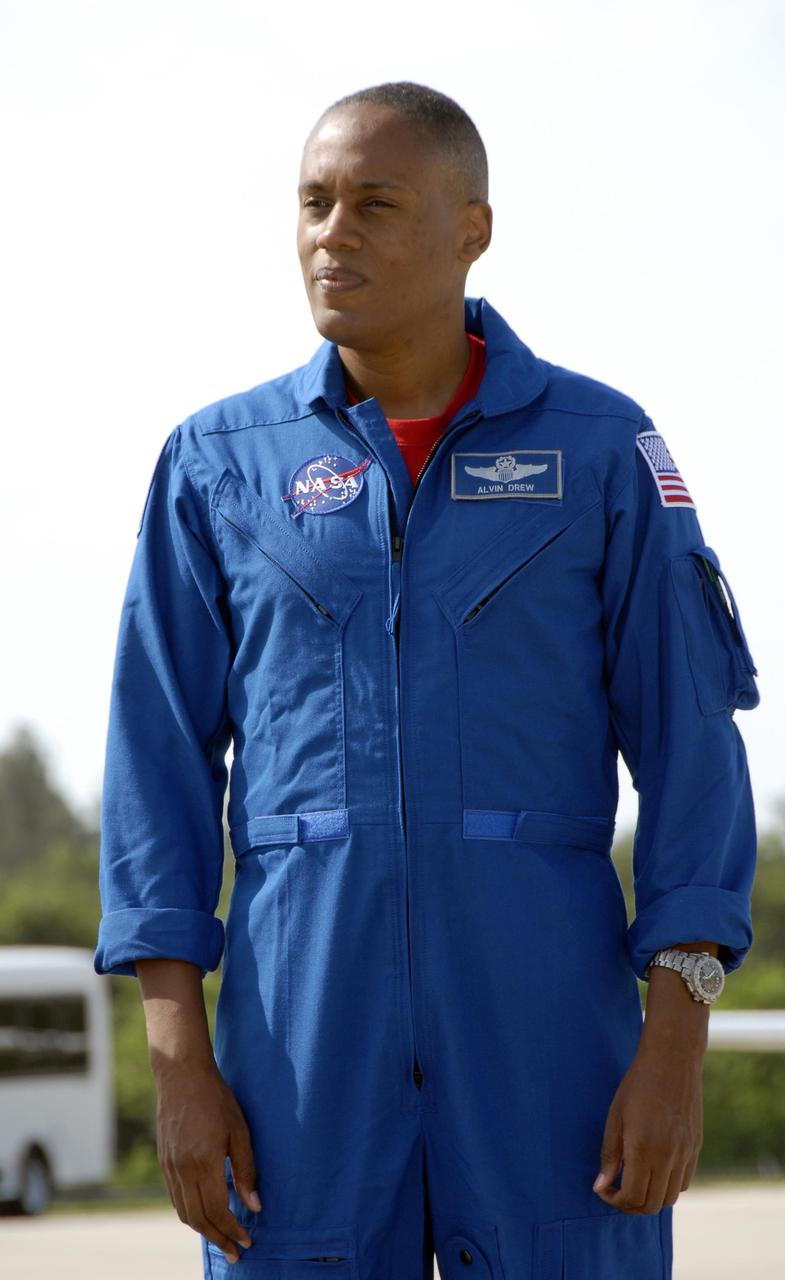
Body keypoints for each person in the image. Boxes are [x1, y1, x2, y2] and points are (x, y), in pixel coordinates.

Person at [94, 81, 760, 1279]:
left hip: (550, 1048)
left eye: (373, 202)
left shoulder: (599, 451)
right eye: (311, 202)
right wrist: (179, 1067)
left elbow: (691, 756)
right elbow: (154, 775)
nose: (328, 233)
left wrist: (673, 1049)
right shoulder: (216, 467)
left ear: (471, 227)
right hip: (300, 1056)